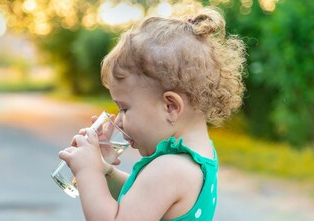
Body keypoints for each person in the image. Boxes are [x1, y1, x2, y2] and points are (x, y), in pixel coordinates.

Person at [58, 8, 246, 221]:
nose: (118, 120)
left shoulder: (169, 169)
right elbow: (142, 200)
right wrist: (104, 171)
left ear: (171, 107)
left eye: (125, 109)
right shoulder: (197, 158)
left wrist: (88, 172)